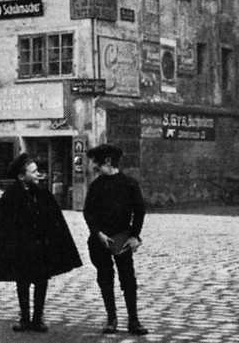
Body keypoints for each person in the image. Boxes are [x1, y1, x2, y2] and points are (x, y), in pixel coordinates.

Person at [0, 153, 81, 333]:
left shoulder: (43, 194)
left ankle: (38, 318)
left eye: (37, 170)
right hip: (21, 250)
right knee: (22, 282)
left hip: (41, 249)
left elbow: (54, 221)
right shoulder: (10, 198)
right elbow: (4, 229)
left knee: (41, 281)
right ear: (22, 176)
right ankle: (24, 318)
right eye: (34, 171)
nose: (38, 174)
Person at [83, 144, 148, 336]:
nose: (94, 166)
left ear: (108, 162)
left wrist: (135, 235)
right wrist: (97, 233)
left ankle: (133, 320)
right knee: (105, 277)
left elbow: (140, 211)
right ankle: (111, 318)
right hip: (100, 240)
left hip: (122, 239)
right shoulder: (96, 186)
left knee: (128, 278)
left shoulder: (129, 184)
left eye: (97, 162)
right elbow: (88, 212)